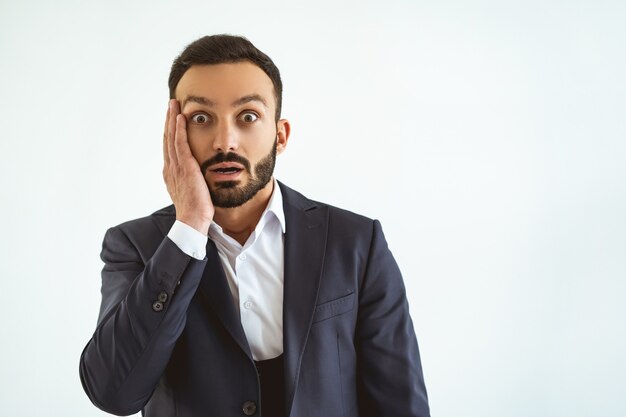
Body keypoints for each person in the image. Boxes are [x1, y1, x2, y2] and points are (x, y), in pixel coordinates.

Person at [79, 34, 430, 417]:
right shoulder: (134, 245)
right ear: (173, 134)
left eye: (248, 117)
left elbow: (399, 402)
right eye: (200, 118)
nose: (224, 141)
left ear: (280, 136)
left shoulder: (357, 242)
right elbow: (113, 393)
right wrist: (189, 227)